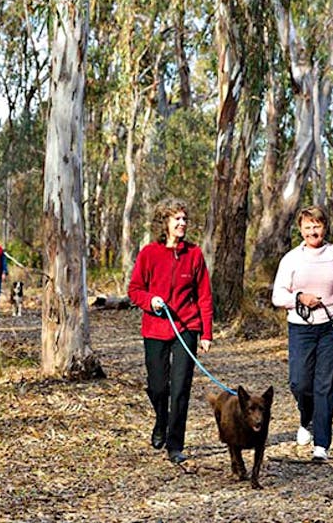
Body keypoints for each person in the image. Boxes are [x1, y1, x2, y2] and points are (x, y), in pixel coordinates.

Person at [271, 204, 333, 462]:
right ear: (300, 230)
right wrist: (299, 297)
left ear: (324, 227)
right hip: (301, 327)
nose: (313, 231)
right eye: (308, 226)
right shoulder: (291, 259)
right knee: (299, 382)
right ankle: (306, 417)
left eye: (317, 225)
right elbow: (278, 295)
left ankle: (322, 443)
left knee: (326, 384)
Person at [127, 198, 213, 465]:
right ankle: (160, 422)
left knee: (180, 389)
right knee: (157, 387)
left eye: (184, 219)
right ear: (164, 222)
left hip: (186, 328)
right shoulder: (149, 253)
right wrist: (150, 301)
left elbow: (205, 297)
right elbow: (134, 290)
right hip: (155, 328)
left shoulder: (195, 254)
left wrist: (207, 333)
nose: (182, 223)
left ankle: (175, 444)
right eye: (177, 219)